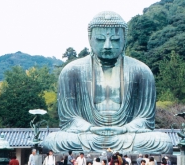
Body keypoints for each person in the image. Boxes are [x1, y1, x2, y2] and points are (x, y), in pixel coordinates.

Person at [42, 11, 173, 154]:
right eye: (100, 39)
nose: (108, 45)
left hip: (126, 134)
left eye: (115, 39)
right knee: (53, 140)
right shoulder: (72, 71)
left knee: (162, 141)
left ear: (125, 40)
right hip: (88, 134)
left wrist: (124, 129)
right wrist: (91, 128)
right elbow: (69, 119)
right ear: (89, 39)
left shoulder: (141, 71)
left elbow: (145, 119)